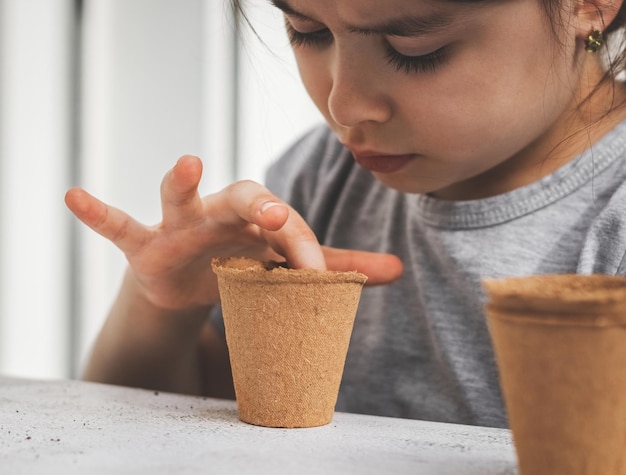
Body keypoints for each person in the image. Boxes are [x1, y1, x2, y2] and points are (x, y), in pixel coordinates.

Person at [65, 0, 626, 428]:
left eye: (413, 48)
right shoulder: (320, 178)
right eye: (305, 31)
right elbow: (163, 428)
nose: (345, 106)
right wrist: (160, 307)